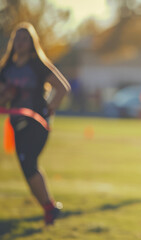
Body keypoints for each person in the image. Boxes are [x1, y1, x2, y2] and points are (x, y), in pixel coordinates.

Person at [0, 22, 70, 225]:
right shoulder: (6, 69)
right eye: (17, 39)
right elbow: (2, 99)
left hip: (37, 122)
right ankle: (49, 208)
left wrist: (51, 107)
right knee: (27, 167)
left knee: (28, 162)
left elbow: (62, 87)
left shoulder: (37, 66)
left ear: (32, 43)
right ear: (12, 43)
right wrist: (6, 95)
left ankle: (50, 208)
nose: (21, 43)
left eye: (25, 39)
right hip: (16, 123)